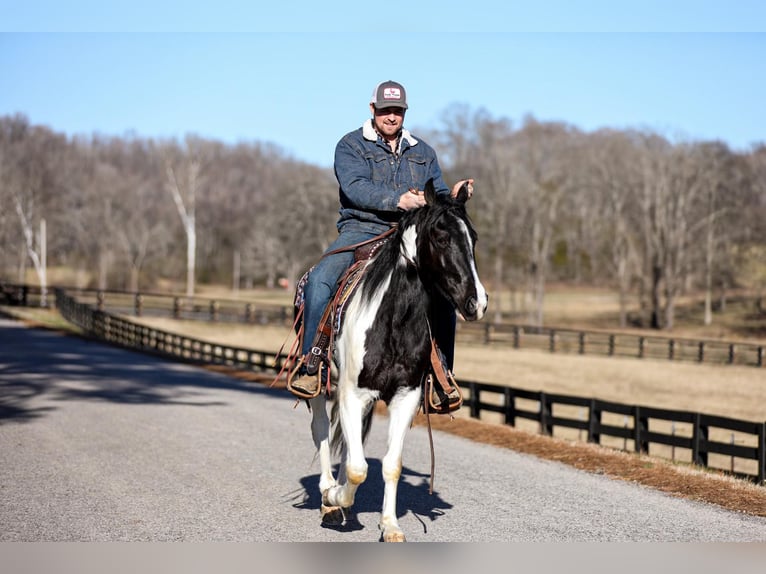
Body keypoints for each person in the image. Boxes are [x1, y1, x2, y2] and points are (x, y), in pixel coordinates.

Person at [288, 80, 473, 399]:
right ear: (372, 109)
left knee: (444, 292)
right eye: (386, 110)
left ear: (404, 113)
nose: (391, 116)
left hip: (410, 236)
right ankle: (312, 364)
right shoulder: (350, 146)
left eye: (398, 111)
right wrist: (398, 200)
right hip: (360, 230)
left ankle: (441, 374)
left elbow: (437, 193)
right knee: (320, 280)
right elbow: (355, 187)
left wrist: (454, 196)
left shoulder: (423, 151)